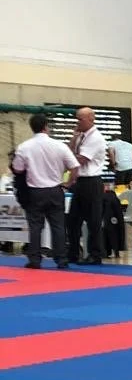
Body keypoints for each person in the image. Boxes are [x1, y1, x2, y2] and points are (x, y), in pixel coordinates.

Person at [11, 113, 79, 270]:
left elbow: (18, 169)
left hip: (34, 191)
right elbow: (74, 166)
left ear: (32, 128)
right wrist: (68, 183)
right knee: (58, 226)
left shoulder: (24, 147)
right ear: (46, 127)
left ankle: (34, 259)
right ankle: (62, 259)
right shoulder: (60, 146)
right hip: (55, 190)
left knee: (35, 226)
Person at [67, 106, 107, 263]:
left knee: (93, 220)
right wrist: (73, 138)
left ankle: (95, 254)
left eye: (80, 119)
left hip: (92, 182)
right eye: (77, 118)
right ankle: (73, 253)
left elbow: (79, 160)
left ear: (91, 119)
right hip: (81, 181)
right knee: (72, 220)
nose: (78, 122)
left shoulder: (95, 137)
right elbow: (70, 154)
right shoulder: (82, 136)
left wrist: (67, 159)